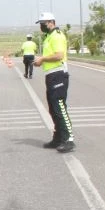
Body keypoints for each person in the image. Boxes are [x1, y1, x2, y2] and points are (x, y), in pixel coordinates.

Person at [33, 12, 75, 153]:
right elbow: (50, 56)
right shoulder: (48, 37)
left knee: (60, 108)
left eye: (43, 23)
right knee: (53, 109)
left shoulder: (57, 36)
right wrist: (41, 61)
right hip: (51, 75)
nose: (41, 26)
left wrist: (42, 59)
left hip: (58, 75)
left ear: (51, 22)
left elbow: (58, 55)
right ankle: (58, 138)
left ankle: (68, 139)